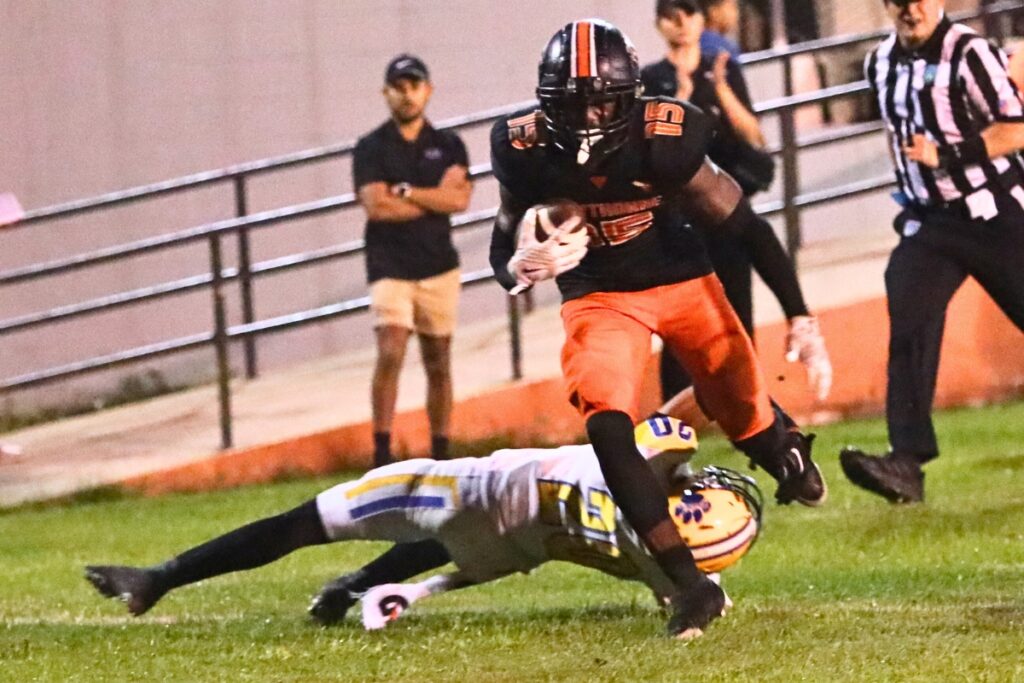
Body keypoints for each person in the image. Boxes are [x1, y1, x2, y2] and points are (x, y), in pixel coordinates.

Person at [487, 19, 828, 639]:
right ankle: (687, 582)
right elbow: (501, 246)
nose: (591, 118)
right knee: (607, 423)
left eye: (604, 102)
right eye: (575, 104)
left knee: (741, 405)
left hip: (679, 276)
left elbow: (744, 226)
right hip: (599, 296)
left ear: (631, 97)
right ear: (548, 106)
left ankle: (782, 447)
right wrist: (518, 266)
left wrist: (800, 312)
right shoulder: (524, 147)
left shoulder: (663, 138)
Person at [84, 416, 763, 641]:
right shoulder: (664, 565)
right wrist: (697, 592)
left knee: (305, 522)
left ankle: (159, 578)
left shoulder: (656, 474)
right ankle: (352, 587)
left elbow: (666, 432)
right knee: (446, 543)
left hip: (477, 491)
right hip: (506, 546)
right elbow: (695, 600)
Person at [840, 0, 1024, 503]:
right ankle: (907, 462)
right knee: (910, 315)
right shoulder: (880, 61)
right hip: (931, 221)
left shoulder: (970, 53)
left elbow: (1016, 127)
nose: (909, 8)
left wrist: (948, 155)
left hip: (995, 213)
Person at [641, 0, 829, 405]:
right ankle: (672, 420)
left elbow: (753, 135)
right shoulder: (652, 80)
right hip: (678, 217)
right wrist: (685, 95)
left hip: (723, 203)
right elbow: (658, 148)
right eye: (672, 17)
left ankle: (751, 408)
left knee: (737, 319)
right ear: (660, 25)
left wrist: (722, 90)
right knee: (681, 330)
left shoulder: (721, 67)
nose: (682, 25)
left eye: (689, 14)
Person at [354, 54, 472, 465]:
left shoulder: (448, 144)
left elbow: (459, 198)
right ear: (386, 93)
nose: (407, 95)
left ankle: (440, 451)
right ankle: (382, 451)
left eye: (414, 85)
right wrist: (431, 197)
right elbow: (377, 207)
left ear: (428, 90)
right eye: (399, 87)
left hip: (438, 264)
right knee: (391, 349)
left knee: (438, 360)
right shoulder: (371, 148)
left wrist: (404, 192)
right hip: (390, 264)